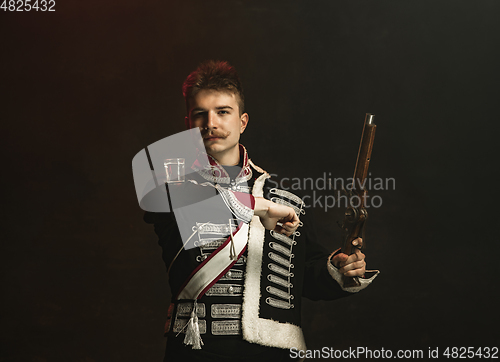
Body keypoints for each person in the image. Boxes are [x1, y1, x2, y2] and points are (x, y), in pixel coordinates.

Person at [143, 60, 378, 361]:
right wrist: (259, 206)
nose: (211, 123)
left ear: (242, 122)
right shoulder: (167, 185)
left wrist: (340, 268)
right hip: (198, 349)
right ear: (188, 124)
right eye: (200, 114)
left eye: (223, 112)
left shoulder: (287, 199)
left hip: (273, 351)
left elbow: (305, 273)